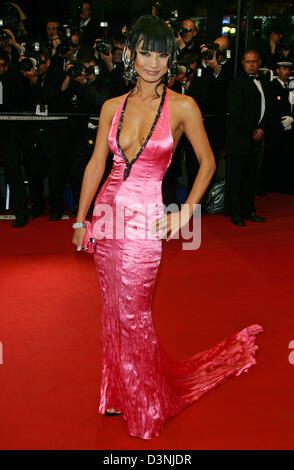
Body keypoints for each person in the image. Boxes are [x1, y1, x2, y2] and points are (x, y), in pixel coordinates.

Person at [72, 15, 263, 440]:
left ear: (171, 58)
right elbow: (95, 165)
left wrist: (185, 212)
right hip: (106, 218)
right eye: (145, 52)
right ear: (130, 54)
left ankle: (146, 403)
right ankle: (117, 393)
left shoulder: (183, 106)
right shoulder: (111, 107)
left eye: (161, 54)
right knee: (112, 311)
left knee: (135, 313)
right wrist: (81, 218)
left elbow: (209, 163)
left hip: (146, 221)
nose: (153, 63)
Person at [225, 49, 270, 226]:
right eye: (248, 61)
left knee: (252, 178)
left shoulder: (265, 83)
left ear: (259, 62)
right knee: (237, 178)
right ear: (243, 63)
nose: (251, 65)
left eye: (254, 61)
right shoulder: (237, 84)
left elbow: (269, 109)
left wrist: (262, 129)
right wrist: (252, 131)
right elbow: (235, 113)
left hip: (258, 138)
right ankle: (236, 213)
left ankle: (249, 210)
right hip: (240, 138)